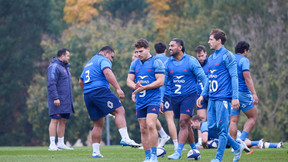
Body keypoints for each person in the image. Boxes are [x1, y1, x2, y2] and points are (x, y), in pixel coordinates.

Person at [79, 46, 140, 158]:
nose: (111, 60)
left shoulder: (89, 63)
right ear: (106, 53)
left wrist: (89, 92)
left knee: (98, 123)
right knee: (119, 110)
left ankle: (95, 152)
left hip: (88, 95)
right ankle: (125, 138)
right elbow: (107, 72)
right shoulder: (103, 59)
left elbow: (80, 81)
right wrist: (118, 88)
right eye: (111, 57)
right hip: (100, 91)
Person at [196, 29, 245, 162]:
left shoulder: (228, 56)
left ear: (219, 41)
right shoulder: (210, 58)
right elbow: (209, 78)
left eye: (211, 39)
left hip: (224, 98)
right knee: (212, 128)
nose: (208, 42)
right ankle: (236, 146)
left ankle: (218, 158)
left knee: (223, 130)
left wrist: (235, 97)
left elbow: (234, 77)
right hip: (212, 98)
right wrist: (202, 95)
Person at [164, 38, 207, 160]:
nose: (170, 48)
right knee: (186, 124)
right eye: (169, 46)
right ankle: (194, 148)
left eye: (172, 46)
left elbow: (204, 78)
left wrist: (203, 94)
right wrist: (161, 99)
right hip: (174, 97)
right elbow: (163, 84)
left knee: (183, 122)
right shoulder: (167, 63)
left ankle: (178, 152)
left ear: (180, 47)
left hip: (189, 95)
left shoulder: (191, 61)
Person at [127, 38, 165, 162]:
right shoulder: (135, 63)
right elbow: (129, 80)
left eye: (141, 51)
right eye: (137, 52)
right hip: (141, 100)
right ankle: (148, 156)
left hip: (153, 98)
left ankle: (154, 156)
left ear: (148, 49)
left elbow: (160, 81)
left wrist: (145, 87)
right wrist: (135, 87)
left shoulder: (157, 62)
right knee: (143, 128)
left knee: (150, 124)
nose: (138, 54)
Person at [229, 41, 258, 147]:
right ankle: (241, 140)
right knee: (253, 117)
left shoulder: (230, 58)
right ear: (245, 51)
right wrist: (254, 94)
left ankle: (234, 146)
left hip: (232, 94)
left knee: (233, 120)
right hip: (243, 93)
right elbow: (247, 78)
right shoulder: (244, 60)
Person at [47, 48, 74, 151]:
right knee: (55, 120)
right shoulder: (54, 66)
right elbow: (51, 83)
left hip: (66, 101)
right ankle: (52, 144)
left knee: (63, 120)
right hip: (57, 100)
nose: (68, 57)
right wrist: (55, 97)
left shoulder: (65, 67)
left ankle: (61, 144)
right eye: (67, 56)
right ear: (62, 56)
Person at [154, 42, 178, 149]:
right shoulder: (169, 61)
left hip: (154, 93)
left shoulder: (153, 61)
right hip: (168, 93)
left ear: (154, 51)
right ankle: (176, 145)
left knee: (150, 118)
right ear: (165, 51)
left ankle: (160, 138)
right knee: (169, 119)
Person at [194, 45, 209, 147]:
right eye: (199, 56)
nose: (201, 58)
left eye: (202, 56)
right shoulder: (195, 65)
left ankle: (213, 139)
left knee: (214, 118)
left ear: (206, 53)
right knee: (201, 118)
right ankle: (200, 140)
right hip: (199, 96)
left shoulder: (211, 63)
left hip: (212, 95)